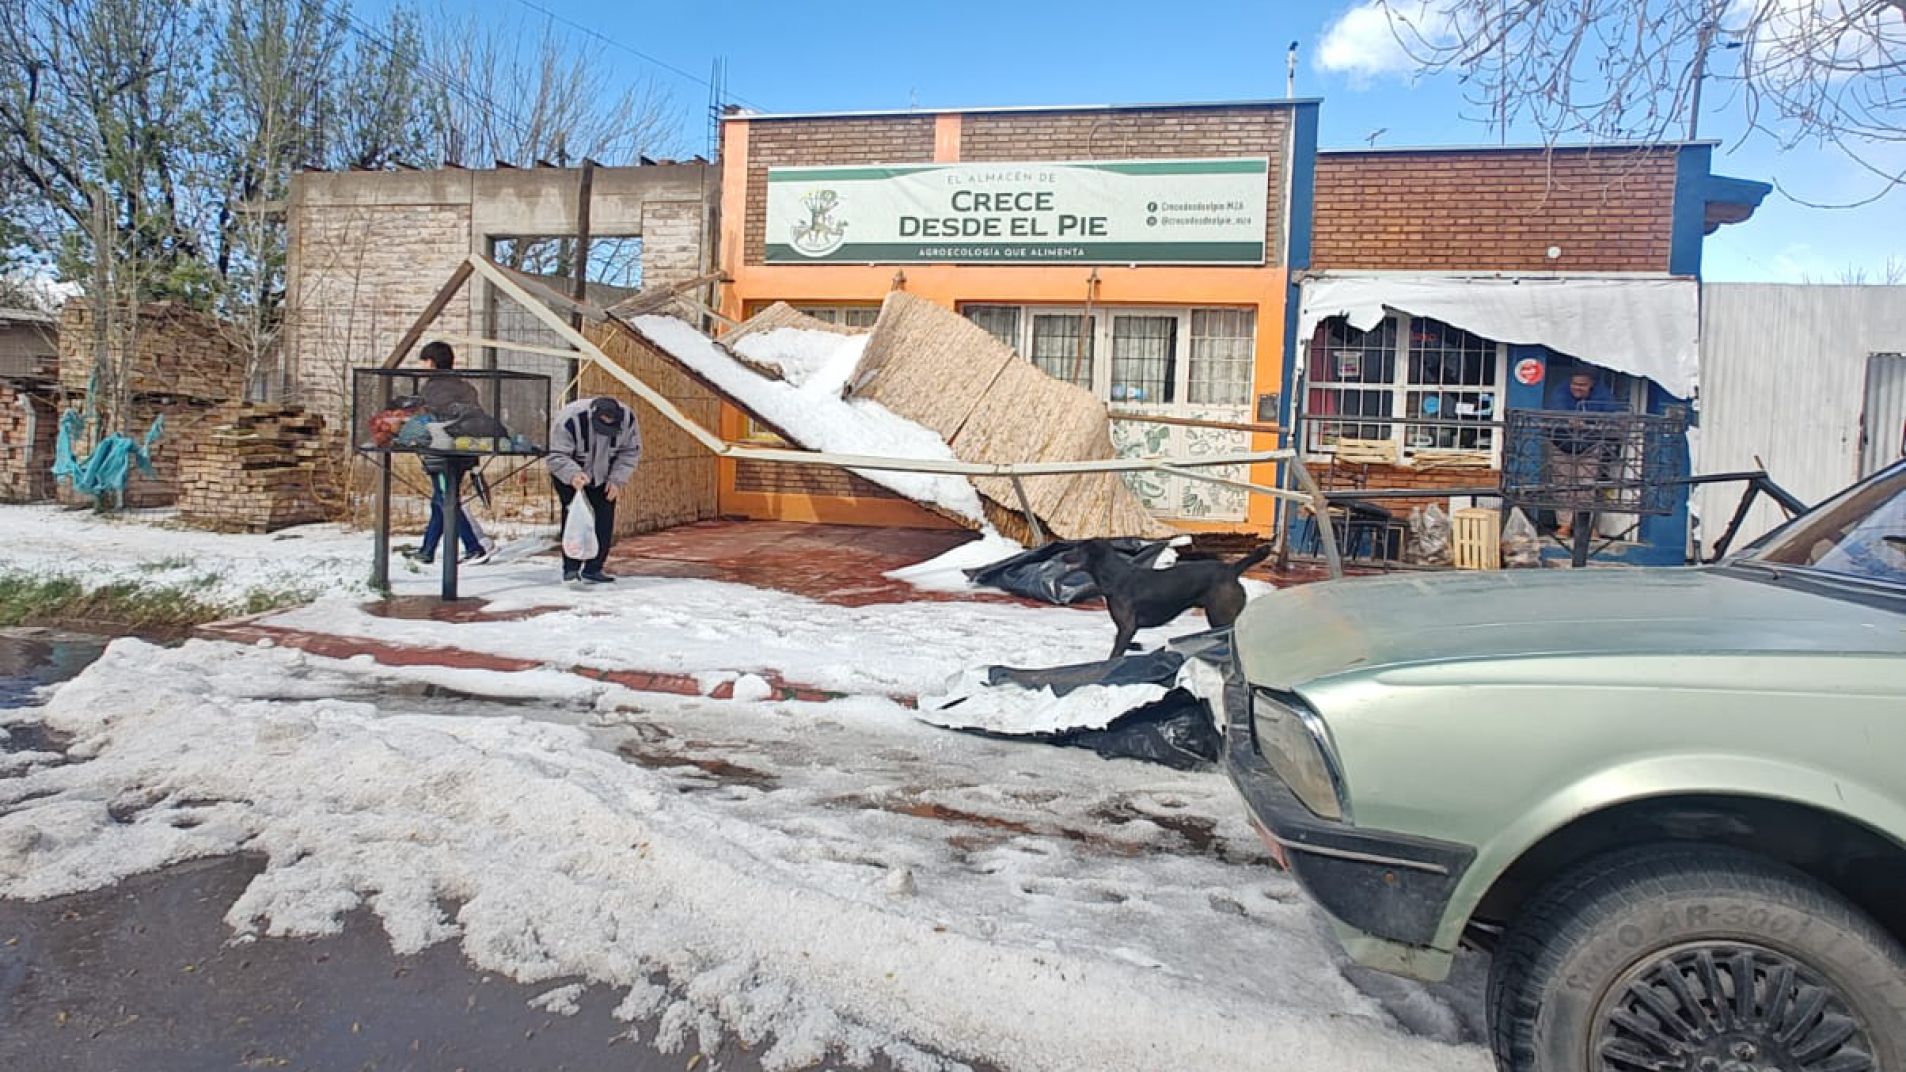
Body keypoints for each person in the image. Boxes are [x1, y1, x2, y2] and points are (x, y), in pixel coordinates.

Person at [409, 340, 496, 565]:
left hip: (441, 454)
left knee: (445, 500)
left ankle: (473, 547)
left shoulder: (433, 389)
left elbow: (427, 420)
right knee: (441, 499)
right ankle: (427, 550)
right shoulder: (465, 386)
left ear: (431, 362)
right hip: (465, 452)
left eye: (424, 362)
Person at [546, 395, 643, 585]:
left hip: (605, 476)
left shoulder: (628, 420)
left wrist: (617, 480)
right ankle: (571, 568)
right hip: (571, 474)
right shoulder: (569, 419)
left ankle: (594, 568)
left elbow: (630, 452)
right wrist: (573, 474)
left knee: (604, 519)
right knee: (575, 520)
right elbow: (556, 455)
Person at [1546, 369, 1625, 539]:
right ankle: (1564, 525)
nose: (1577, 388)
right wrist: (1569, 419)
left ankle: (1587, 526)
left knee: (1588, 485)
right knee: (1562, 483)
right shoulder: (1561, 391)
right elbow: (1556, 408)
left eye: (1582, 385)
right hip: (1561, 443)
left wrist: (1590, 421)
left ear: (1592, 385)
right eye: (1574, 384)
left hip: (1590, 445)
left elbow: (1612, 415)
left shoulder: (1602, 395)